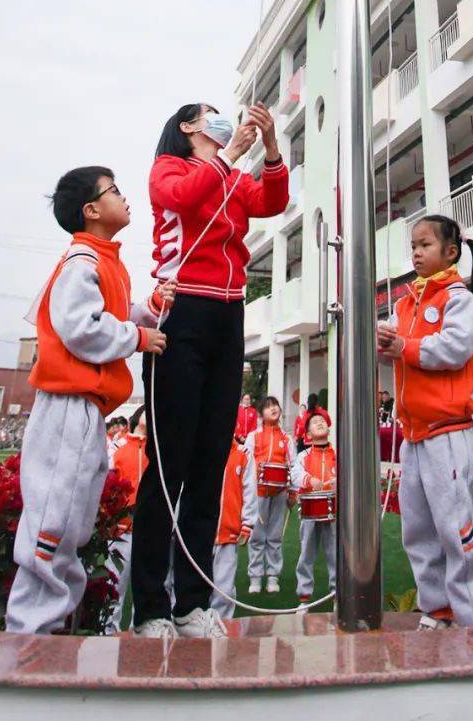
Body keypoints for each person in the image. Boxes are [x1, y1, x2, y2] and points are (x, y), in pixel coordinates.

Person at [131, 102, 288, 640]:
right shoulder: (170, 170)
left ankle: (192, 604)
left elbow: (272, 199)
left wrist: (269, 147)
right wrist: (234, 155)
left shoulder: (231, 175)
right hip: (182, 313)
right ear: (187, 127)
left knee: (210, 463)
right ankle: (150, 606)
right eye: (211, 116)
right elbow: (183, 197)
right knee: (167, 464)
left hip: (229, 313)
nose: (223, 123)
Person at [4, 167, 171, 636]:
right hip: (67, 407)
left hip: (86, 410)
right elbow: (81, 329)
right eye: (114, 190)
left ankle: (48, 628)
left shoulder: (104, 261)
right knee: (52, 525)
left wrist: (148, 310)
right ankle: (29, 635)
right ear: (92, 211)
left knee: (72, 525)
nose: (125, 196)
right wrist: (139, 335)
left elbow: (109, 316)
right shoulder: (82, 261)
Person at [378, 213, 473, 630]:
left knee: (457, 527)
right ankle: (437, 608)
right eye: (413, 245)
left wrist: (402, 347)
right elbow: (397, 339)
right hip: (413, 434)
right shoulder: (406, 302)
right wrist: (384, 337)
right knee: (417, 529)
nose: (416, 251)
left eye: (425, 244)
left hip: (448, 433)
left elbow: (453, 349)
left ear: (450, 253)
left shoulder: (458, 299)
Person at [246, 396, 295, 594]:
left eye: (275, 405)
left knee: (275, 535)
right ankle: (255, 577)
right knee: (256, 535)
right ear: (261, 414)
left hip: (280, 491)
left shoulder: (287, 438)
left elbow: (292, 466)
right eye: (267, 407)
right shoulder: (254, 436)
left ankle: (273, 576)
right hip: (258, 490)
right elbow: (247, 462)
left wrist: (292, 491)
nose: (273, 408)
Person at [108, 408, 148, 633]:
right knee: (115, 585)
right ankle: (108, 630)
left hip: (149, 530)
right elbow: (107, 484)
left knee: (147, 586)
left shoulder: (158, 450)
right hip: (121, 531)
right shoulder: (117, 447)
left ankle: (141, 630)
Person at [211, 432, 258, 618]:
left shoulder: (243, 454)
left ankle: (223, 626)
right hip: (198, 533)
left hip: (228, 533)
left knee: (223, 588)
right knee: (193, 585)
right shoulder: (198, 449)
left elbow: (250, 491)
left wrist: (247, 523)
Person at [292, 413, 336, 608]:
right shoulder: (303, 456)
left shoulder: (337, 454)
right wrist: (309, 480)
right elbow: (295, 474)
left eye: (322, 421)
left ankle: (337, 594)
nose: (319, 423)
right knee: (306, 553)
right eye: (314, 423)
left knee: (335, 553)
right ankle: (304, 596)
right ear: (308, 433)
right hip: (310, 511)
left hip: (334, 510)